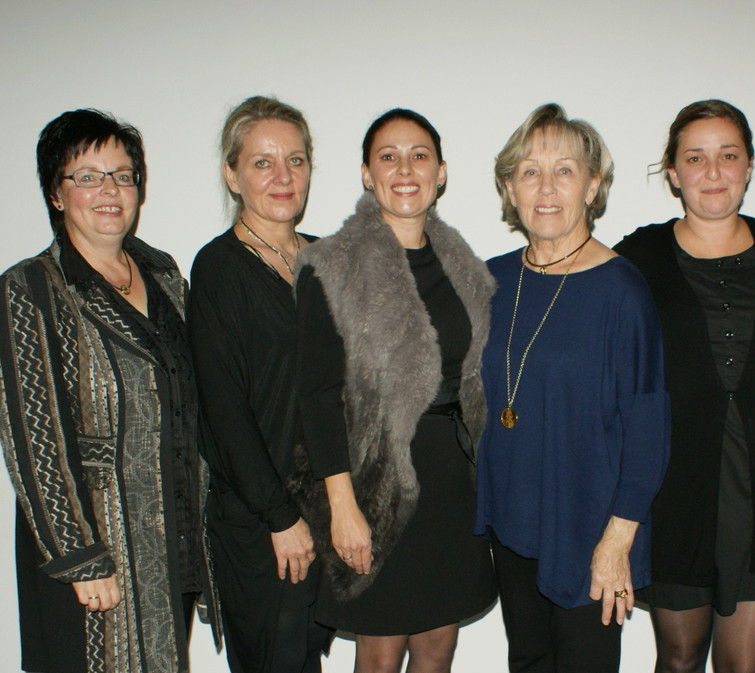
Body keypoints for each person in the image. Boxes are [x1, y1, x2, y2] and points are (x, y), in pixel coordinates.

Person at [0, 109, 221, 672]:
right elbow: (32, 437)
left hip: (173, 540)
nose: (109, 190)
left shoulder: (165, 276)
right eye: (88, 176)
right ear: (56, 193)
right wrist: (79, 557)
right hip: (97, 549)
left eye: (122, 175)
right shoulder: (33, 287)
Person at [291, 108, 497, 673]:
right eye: (388, 156)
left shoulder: (465, 268)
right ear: (367, 173)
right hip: (375, 486)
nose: (405, 169)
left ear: (441, 172)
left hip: (453, 487)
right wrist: (343, 508)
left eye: (419, 156)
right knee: (380, 655)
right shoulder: (330, 266)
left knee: (437, 649)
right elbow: (317, 395)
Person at [474, 103, 671, 673]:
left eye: (565, 170)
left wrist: (617, 542)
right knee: (528, 662)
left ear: (593, 185)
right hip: (514, 518)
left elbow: (649, 429)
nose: (546, 187)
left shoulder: (621, 291)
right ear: (509, 188)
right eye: (529, 171)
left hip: (591, 526)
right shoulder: (491, 280)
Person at [614, 100, 755, 673]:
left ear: (749, 166)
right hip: (676, 495)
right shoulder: (638, 256)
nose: (713, 172)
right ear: (673, 173)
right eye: (695, 158)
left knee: (745, 666)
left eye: (728, 155)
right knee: (680, 657)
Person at [187, 96, 331, 673]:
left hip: (325, 514)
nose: (282, 176)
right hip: (263, 524)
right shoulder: (219, 268)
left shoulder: (326, 260)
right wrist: (280, 516)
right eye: (262, 162)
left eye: (295, 160)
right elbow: (223, 413)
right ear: (233, 175)